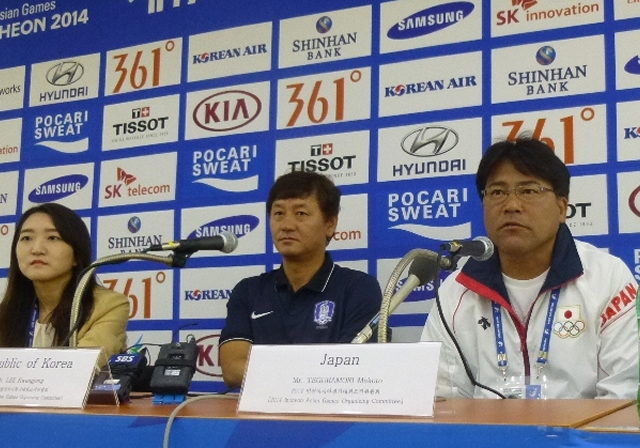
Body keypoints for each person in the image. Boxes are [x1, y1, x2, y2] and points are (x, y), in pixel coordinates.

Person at [421, 137, 639, 399]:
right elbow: (441, 398)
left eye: (528, 191)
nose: (511, 205)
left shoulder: (607, 279)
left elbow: (624, 395)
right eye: (498, 192)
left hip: (578, 439)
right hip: (485, 439)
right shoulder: (456, 291)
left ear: (562, 207)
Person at [219, 171, 383, 389]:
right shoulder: (248, 290)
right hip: (259, 419)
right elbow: (233, 369)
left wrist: (269, 370)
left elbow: (349, 369)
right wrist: (311, 372)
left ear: (330, 224)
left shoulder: (359, 288)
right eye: (278, 213)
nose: (286, 225)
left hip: (331, 420)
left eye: (301, 214)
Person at [0, 203, 130, 361]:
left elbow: (81, 368)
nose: (36, 249)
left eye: (52, 238)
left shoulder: (108, 305)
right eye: (27, 238)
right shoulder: (6, 313)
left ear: (76, 254)